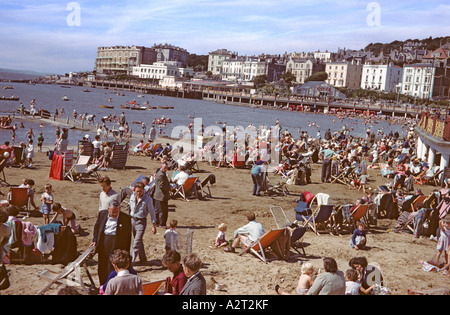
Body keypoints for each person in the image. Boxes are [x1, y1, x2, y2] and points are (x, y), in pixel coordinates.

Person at [91, 201, 132, 285]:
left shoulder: (126, 218)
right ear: (108, 209)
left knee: (112, 267)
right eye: (113, 212)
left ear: (120, 209)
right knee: (102, 266)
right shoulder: (102, 214)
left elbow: (128, 236)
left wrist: (126, 251)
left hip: (116, 244)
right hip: (103, 243)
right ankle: (102, 285)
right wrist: (94, 240)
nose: (115, 214)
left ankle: (111, 285)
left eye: (117, 211)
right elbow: (97, 227)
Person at [128, 181, 157, 265]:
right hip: (132, 220)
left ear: (144, 190)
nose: (139, 193)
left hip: (141, 222)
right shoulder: (132, 197)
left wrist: (153, 226)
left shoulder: (148, 199)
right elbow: (130, 209)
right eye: (137, 191)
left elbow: (152, 212)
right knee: (138, 241)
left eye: (140, 191)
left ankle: (131, 262)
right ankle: (143, 258)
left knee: (136, 242)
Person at [154, 162, 170, 227]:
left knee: (157, 210)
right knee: (163, 211)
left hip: (158, 195)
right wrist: (170, 188)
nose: (166, 169)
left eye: (167, 168)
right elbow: (162, 186)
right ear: (161, 167)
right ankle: (162, 224)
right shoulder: (161, 175)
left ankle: (157, 222)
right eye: (165, 168)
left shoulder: (160, 173)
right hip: (161, 196)